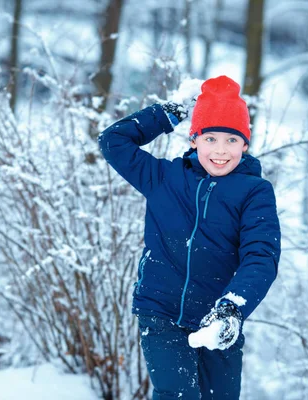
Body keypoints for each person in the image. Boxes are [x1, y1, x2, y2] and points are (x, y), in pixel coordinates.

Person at [98, 75, 281, 399]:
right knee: (177, 394)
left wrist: (232, 308)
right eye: (210, 138)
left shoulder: (255, 193)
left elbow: (261, 257)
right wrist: (168, 114)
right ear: (194, 139)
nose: (220, 151)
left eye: (231, 140)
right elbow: (113, 141)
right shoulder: (164, 178)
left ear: (245, 144)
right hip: (161, 312)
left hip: (219, 318)